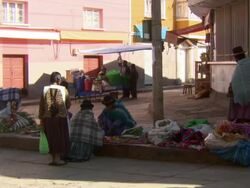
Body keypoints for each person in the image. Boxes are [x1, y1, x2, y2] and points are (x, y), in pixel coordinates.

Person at [39, 71, 71, 166]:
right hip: (60, 118)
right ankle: (57, 159)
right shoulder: (63, 89)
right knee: (60, 138)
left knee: (51, 138)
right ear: (58, 79)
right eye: (60, 78)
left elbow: (41, 106)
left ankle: (53, 159)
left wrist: (41, 118)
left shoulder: (45, 90)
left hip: (47, 118)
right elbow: (68, 104)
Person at [228, 46, 250, 122]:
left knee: (236, 98)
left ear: (236, 57)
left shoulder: (239, 66)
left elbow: (235, 82)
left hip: (241, 94)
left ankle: (240, 119)